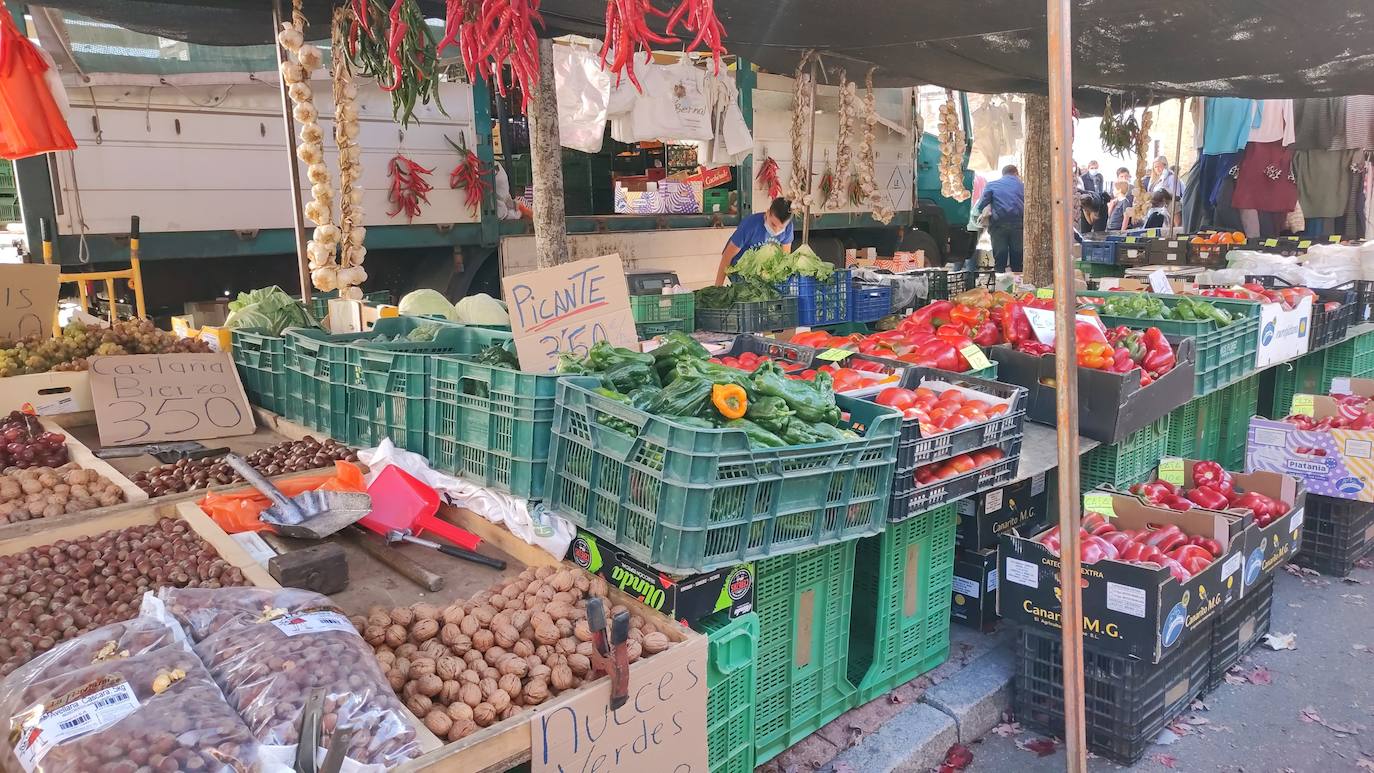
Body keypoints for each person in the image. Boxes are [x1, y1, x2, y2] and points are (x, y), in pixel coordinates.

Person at [715, 197, 793, 285]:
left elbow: (785, 257)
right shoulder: (750, 225)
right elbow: (727, 256)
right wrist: (718, 286)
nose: (776, 230)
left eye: (781, 227)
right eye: (773, 224)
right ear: (767, 213)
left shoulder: (788, 227)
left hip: (761, 270)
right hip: (740, 268)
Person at [975, 164, 1024, 272]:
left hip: (998, 225)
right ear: (1016, 173)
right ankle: (1017, 280)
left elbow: (981, 205)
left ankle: (1000, 280)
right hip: (1018, 225)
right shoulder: (1023, 186)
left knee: (1000, 259)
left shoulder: (992, 185)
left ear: (1003, 174)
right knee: (1017, 260)